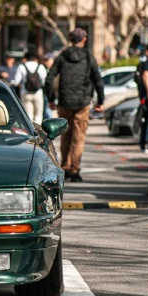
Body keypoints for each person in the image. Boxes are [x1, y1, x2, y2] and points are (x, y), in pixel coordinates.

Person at [44, 28, 104, 181]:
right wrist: (100, 101)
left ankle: (65, 167)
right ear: (83, 40)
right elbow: (97, 79)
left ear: (70, 40)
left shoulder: (62, 56)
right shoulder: (88, 57)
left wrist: (51, 99)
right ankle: (75, 170)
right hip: (83, 102)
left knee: (65, 136)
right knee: (78, 138)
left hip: (64, 102)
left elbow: (49, 79)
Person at [13, 50, 47, 125]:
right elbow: (44, 81)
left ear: (26, 58)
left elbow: (16, 81)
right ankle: (38, 131)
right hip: (38, 92)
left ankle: (30, 130)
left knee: (28, 114)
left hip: (25, 92)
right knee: (38, 114)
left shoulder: (22, 66)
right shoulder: (40, 66)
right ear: (35, 58)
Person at [136, 47, 148, 153]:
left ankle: (143, 143)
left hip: (143, 96)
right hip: (147, 97)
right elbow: (146, 76)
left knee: (147, 120)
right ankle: (144, 143)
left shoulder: (144, 62)